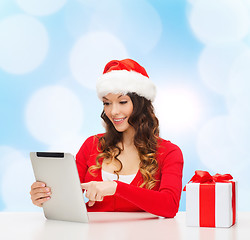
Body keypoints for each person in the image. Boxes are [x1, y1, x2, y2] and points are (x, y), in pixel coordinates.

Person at [30, 59, 184, 218]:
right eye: (107, 103)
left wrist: (116, 187)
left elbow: (170, 206)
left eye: (122, 102)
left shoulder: (169, 152)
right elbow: (67, 194)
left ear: (141, 104)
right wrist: (44, 196)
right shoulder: (92, 145)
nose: (113, 111)